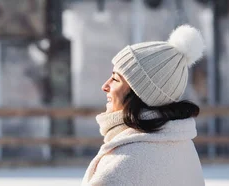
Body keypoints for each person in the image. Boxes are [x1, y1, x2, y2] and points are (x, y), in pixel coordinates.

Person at [82, 25, 205, 186]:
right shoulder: (184, 149)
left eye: (115, 79)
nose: (105, 86)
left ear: (139, 94)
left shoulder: (122, 166)